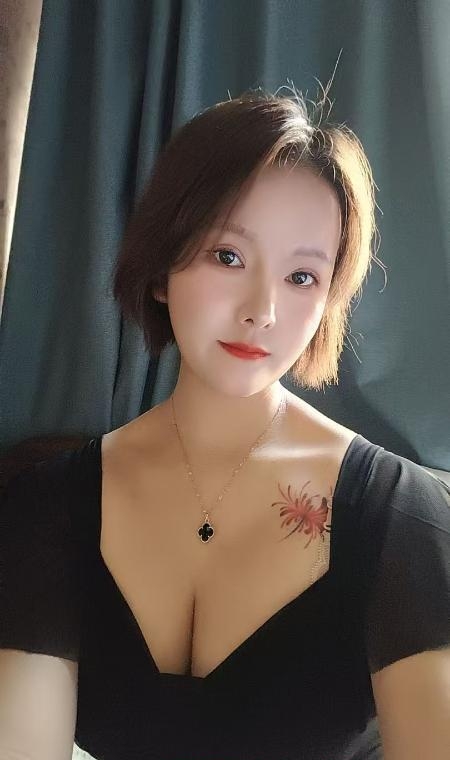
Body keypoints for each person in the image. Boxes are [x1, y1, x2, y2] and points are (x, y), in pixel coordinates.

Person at [1, 86, 449, 760]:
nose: (262, 309)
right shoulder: (48, 508)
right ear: (162, 268)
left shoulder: (402, 520)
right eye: (228, 256)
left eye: (302, 277)